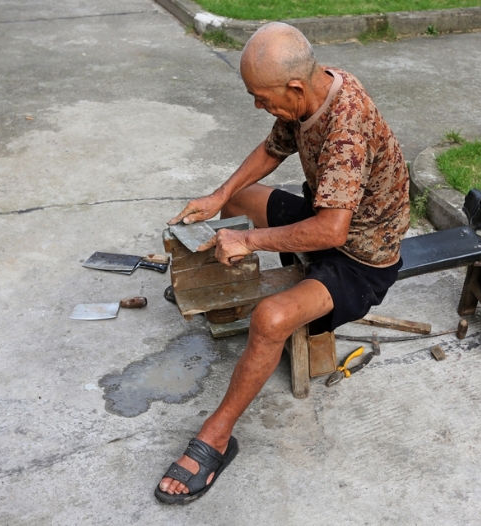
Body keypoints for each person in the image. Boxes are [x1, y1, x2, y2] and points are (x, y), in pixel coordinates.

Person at [155, 21, 410, 505]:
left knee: (270, 319)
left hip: (362, 259)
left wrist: (249, 242)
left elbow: (333, 232)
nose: (258, 106)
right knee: (246, 196)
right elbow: (274, 148)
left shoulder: (345, 126)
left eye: (262, 97)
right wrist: (220, 195)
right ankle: (210, 273)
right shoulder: (309, 94)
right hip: (327, 219)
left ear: (294, 86)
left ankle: (216, 436)